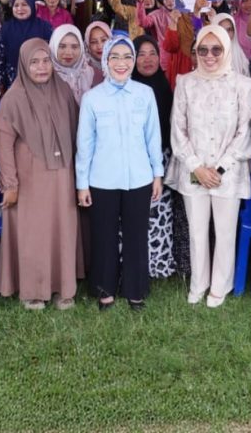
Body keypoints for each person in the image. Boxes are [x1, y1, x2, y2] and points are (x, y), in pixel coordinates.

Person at [168, 25, 251, 307]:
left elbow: (245, 132)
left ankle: (220, 285)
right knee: (197, 231)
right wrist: (196, 166)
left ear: (226, 50)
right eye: (203, 50)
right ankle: (199, 283)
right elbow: (178, 129)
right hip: (193, 170)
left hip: (227, 172)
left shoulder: (243, 85)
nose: (209, 56)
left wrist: (219, 169)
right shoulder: (185, 82)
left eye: (216, 49)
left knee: (226, 231)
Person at [76, 35, 164, 311]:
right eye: (115, 57)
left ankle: (135, 290)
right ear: (106, 61)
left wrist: (157, 174)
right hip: (102, 180)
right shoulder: (92, 98)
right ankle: (105, 290)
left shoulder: (144, 94)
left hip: (139, 178)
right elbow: (85, 144)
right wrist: (82, 183)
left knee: (137, 235)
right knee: (104, 235)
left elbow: (153, 137)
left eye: (127, 57)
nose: (121, 63)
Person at [0, 39, 80, 310]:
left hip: (62, 176)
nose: (42, 67)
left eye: (46, 61)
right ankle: (33, 291)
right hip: (29, 178)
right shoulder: (13, 99)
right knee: (34, 232)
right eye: (34, 62)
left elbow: (77, 131)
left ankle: (63, 287)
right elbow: (4, 145)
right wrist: (10, 184)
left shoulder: (63, 90)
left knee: (61, 230)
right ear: (23, 64)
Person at [132, 35, 185, 279]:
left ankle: (158, 263)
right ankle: (134, 263)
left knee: (159, 213)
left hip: (160, 160)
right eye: (141, 54)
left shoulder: (164, 87)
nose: (147, 59)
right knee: (133, 214)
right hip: (132, 160)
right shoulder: (128, 89)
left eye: (152, 53)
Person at [0, 0, 54, 91]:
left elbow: (51, 54)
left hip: (40, 75)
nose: (20, 9)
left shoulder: (44, 27)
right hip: (14, 79)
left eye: (24, 4)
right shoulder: (6, 29)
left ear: (32, 5)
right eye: (16, 5)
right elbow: (0, 56)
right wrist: (0, 81)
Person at [49, 24, 96, 102]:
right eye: (62, 46)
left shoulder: (91, 74)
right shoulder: (46, 76)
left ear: (81, 48)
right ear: (54, 47)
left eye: (74, 47)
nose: (68, 52)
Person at [84, 21, 111, 86]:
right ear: (88, 45)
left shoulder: (119, 64)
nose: (99, 46)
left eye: (103, 40)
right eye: (94, 42)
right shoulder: (84, 70)